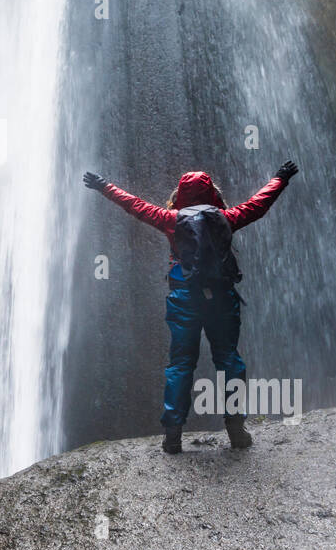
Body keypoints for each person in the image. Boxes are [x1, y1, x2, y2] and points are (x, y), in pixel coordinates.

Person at [83, 161, 298, 454]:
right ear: (211, 195)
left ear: (181, 196)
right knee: (229, 360)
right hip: (221, 297)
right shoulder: (227, 217)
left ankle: (172, 435)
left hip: (185, 297)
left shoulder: (170, 219)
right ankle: (236, 429)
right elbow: (259, 203)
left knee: (181, 364)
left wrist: (103, 185)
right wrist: (280, 178)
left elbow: (133, 204)